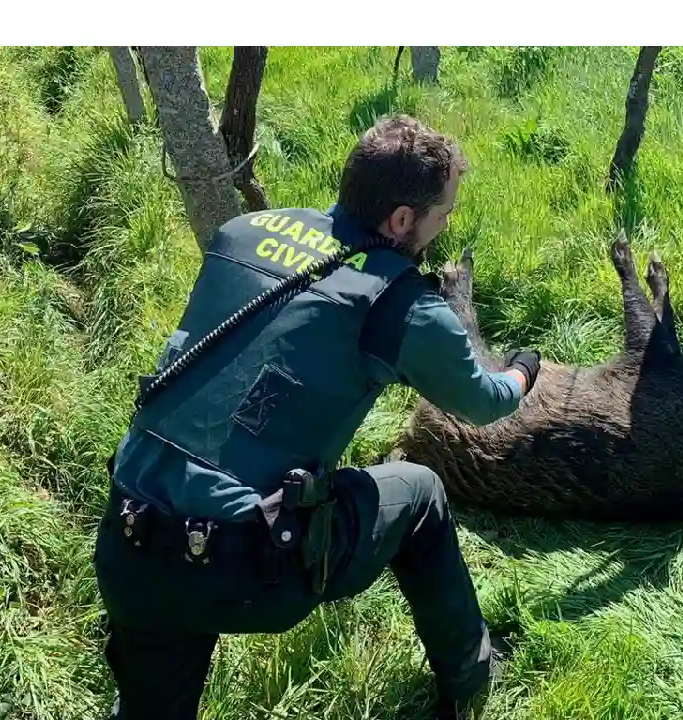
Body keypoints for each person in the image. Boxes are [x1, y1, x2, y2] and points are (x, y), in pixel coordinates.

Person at [92, 114, 542, 720]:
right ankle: (471, 675)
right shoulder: (403, 301)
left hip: (128, 531)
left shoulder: (242, 230)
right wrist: (522, 371)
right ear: (402, 219)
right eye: (443, 215)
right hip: (244, 563)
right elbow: (484, 404)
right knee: (421, 493)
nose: (445, 227)